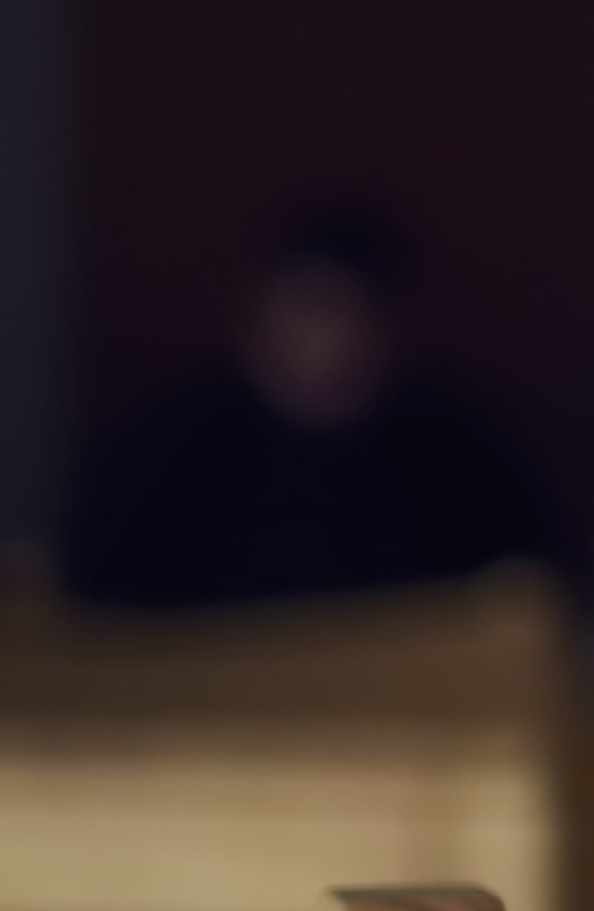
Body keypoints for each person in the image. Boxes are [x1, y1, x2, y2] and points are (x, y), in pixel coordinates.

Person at [61, 207, 563, 612]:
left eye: (363, 312)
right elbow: (100, 609)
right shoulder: (171, 452)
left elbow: (537, 587)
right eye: (316, 307)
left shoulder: (452, 453)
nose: (340, 337)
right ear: (255, 316)